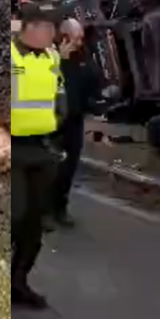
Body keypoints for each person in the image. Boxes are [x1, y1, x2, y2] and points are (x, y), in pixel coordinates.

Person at [10, 3, 64, 309]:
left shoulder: (52, 56)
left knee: (35, 222)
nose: (52, 34)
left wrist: (60, 115)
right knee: (15, 215)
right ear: (30, 28)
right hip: (13, 147)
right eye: (47, 27)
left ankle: (19, 281)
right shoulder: (11, 56)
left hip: (42, 148)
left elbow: (58, 92)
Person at [49, 18, 99, 228]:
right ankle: (45, 210)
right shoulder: (51, 58)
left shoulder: (83, 57)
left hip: (75, 121)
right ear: (65, 37)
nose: (80, 42)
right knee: (53, 168)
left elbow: (93, 80)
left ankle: (60, 208)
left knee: (69, 168)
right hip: (54, 121)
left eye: (81, 38)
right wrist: (63, 61)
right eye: (77, 38)